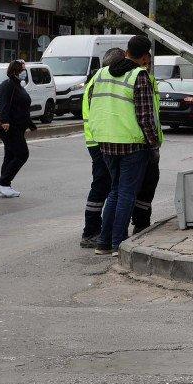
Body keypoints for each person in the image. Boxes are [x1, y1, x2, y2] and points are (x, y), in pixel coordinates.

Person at [90, 35, 162, 255]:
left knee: (114, 191)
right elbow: (145, 116)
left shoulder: (101, 73)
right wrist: (154, 146)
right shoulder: (139, 76)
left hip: (106, 142)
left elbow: (95, 103)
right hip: (131, 145)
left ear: (127, 50)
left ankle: (104, 242)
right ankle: (118, 243)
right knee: (127, 193)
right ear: (144, 56)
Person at [80, 47, 124, 247]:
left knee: (105, 185)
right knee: (100, 186)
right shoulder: (101, 80)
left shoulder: (97, 79)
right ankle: (90, 232)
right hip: (98, 140)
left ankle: (98, 230)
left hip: (99, 138)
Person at [0, 60, 36, 198]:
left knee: (10, 156)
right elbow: (4, 104)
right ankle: (3, 182)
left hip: (18, 126)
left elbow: (21, 107)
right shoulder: (7, 85)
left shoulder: (18, 85)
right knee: (22, 154)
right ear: (15, 70)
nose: (25, 71)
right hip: (10, 127)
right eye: (22, 69)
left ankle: (5, 187)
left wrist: (30, 123)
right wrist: (5, 120)